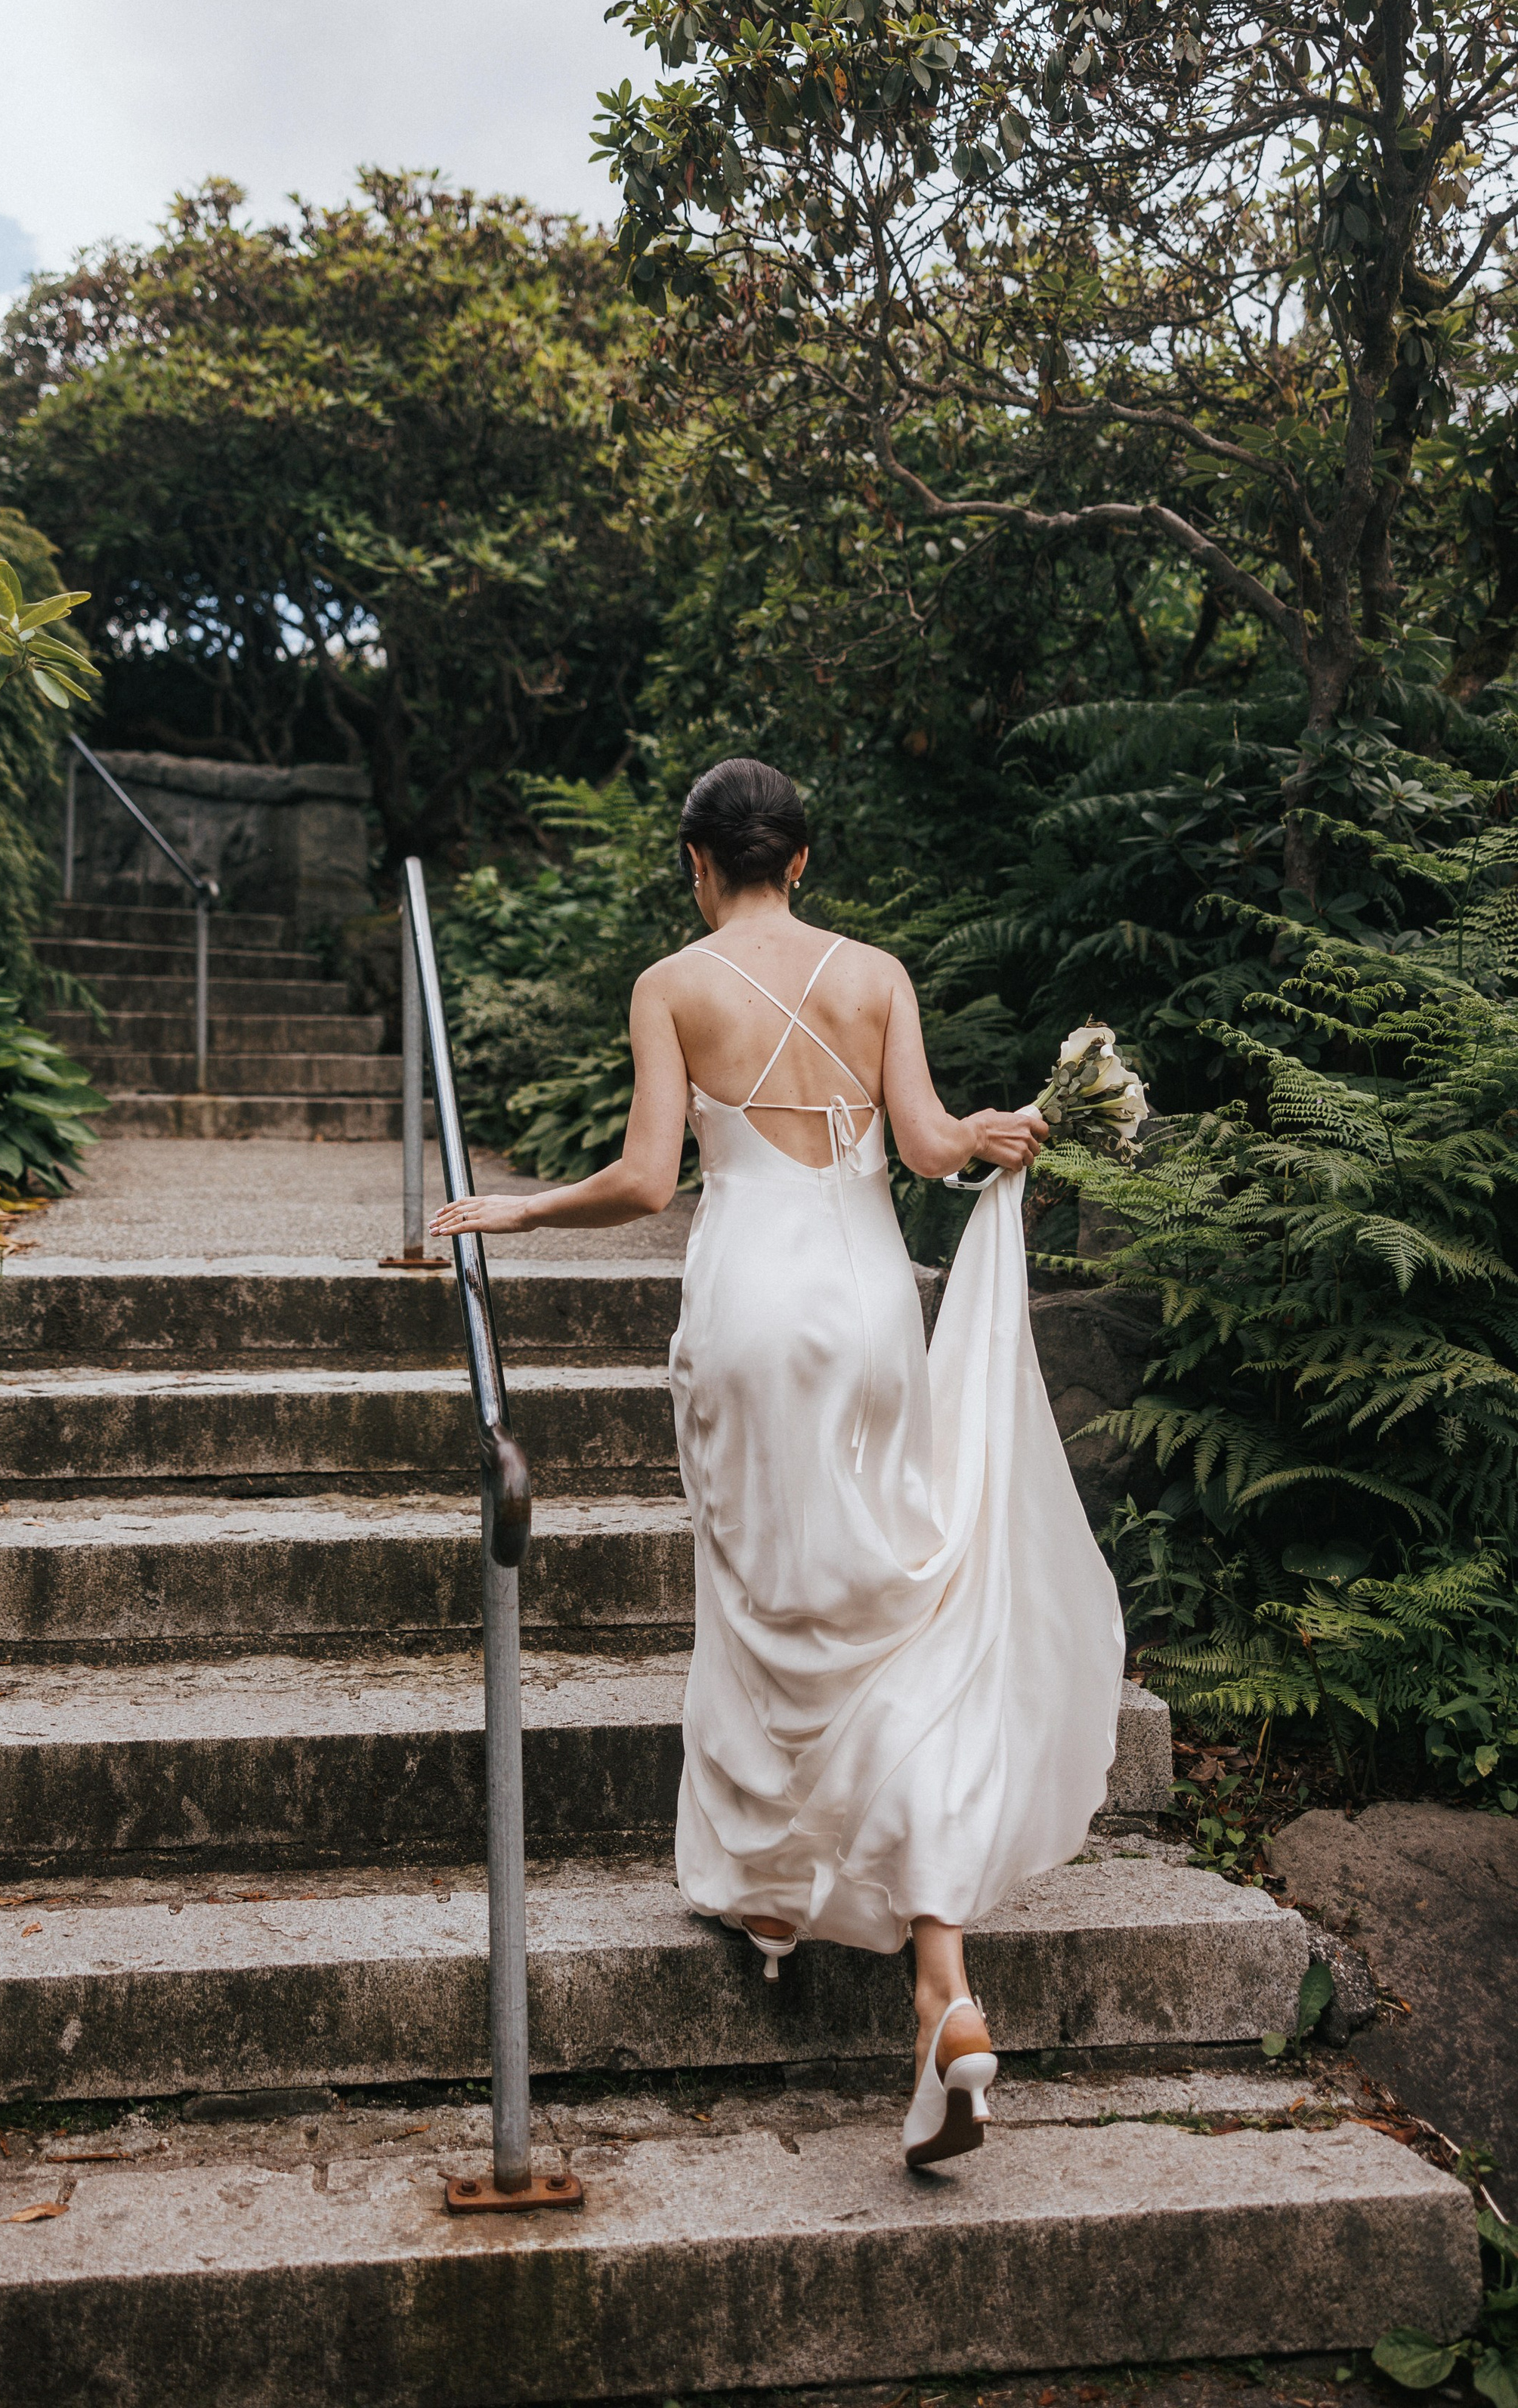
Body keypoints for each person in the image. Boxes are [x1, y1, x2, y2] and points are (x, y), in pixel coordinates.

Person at [431, 756, 1126, 2169]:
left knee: (762, 1596)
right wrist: (992, 1134)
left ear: (698, 863)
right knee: (885, 1596)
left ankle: (769, 1888)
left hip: (752, 1304)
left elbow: (649, 1178)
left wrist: (520, 1208)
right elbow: (926, 1148)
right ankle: (940, 1981)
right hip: (871, 1307)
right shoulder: (876, 975)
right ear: (801, 859)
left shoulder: (671, 985)